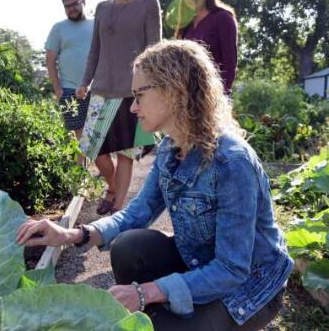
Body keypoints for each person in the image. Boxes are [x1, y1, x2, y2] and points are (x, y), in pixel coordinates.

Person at [17, 40, 294, 330]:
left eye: (139, 95)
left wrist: (145, 292)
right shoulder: (170, 149)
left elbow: (232, 268)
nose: (133, 107)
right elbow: (137, 213)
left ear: (174, 91)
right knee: (129, 246)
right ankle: (157, 316)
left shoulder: (230, 163)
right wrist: (72, 234)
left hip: (250, 288)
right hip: (200, 262)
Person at [76, 0, 161, 215]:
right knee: (90, 145)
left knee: (125, 152)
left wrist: (151, 86)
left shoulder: (148, 2)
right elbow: (95, 49)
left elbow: (154, 48)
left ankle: (118, 208)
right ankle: (111, 187)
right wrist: (84, 82)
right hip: (101, 89)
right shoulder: (102, 8)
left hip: (133, 91)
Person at [176, 0, 238, 95]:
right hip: (187, 95)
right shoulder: (185, 24)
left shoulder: (223, 17)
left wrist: (222, 95)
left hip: (213, 93)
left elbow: (230, 62)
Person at [45, 0, 94, 142]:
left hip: (96, 89)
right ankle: (78, 167)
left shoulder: (96, 24)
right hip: (69, 90)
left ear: (83, 1)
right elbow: (50, 61)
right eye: (67, 6)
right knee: (76, 138)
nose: (71, 9)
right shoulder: (58, 28)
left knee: (94, 137)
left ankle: (86, 166)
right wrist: (58, 89)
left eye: (74, 4)